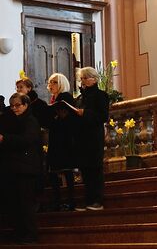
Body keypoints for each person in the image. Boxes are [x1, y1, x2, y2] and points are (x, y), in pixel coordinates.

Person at [0, 93, 41, 244]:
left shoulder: (31, 120)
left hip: (26, 168)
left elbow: (27, 140)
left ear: (26, 105)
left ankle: (30, 233)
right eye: (12, 106)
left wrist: (5, 139)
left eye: (18, 105)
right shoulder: (11, 121)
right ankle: (19, 232)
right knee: (14, 204)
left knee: (26, 203)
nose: (15, 108)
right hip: (13, 168)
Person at [74, 67, 109, 211]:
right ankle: (88, 200)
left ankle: (97, 200)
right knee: (85, 170)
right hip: (81, 137)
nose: (82, 81)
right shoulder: (80, 98)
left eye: (85, 78)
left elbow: (103, 116)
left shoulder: (101, 95)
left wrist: (85, 113)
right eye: (81, 78)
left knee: (95, 169)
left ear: (94, 79)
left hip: (94, 136)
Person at [46, 73, 77, 211]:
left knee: (67, 170)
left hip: (65, 139)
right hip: (55, 138)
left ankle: (71, 201)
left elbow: (68, 119)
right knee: (54, 170)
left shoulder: (66, 98)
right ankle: (57, 201)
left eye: (54, 82)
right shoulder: (54, 99)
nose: (51, 85)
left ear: (61, 83)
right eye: (50, 82)